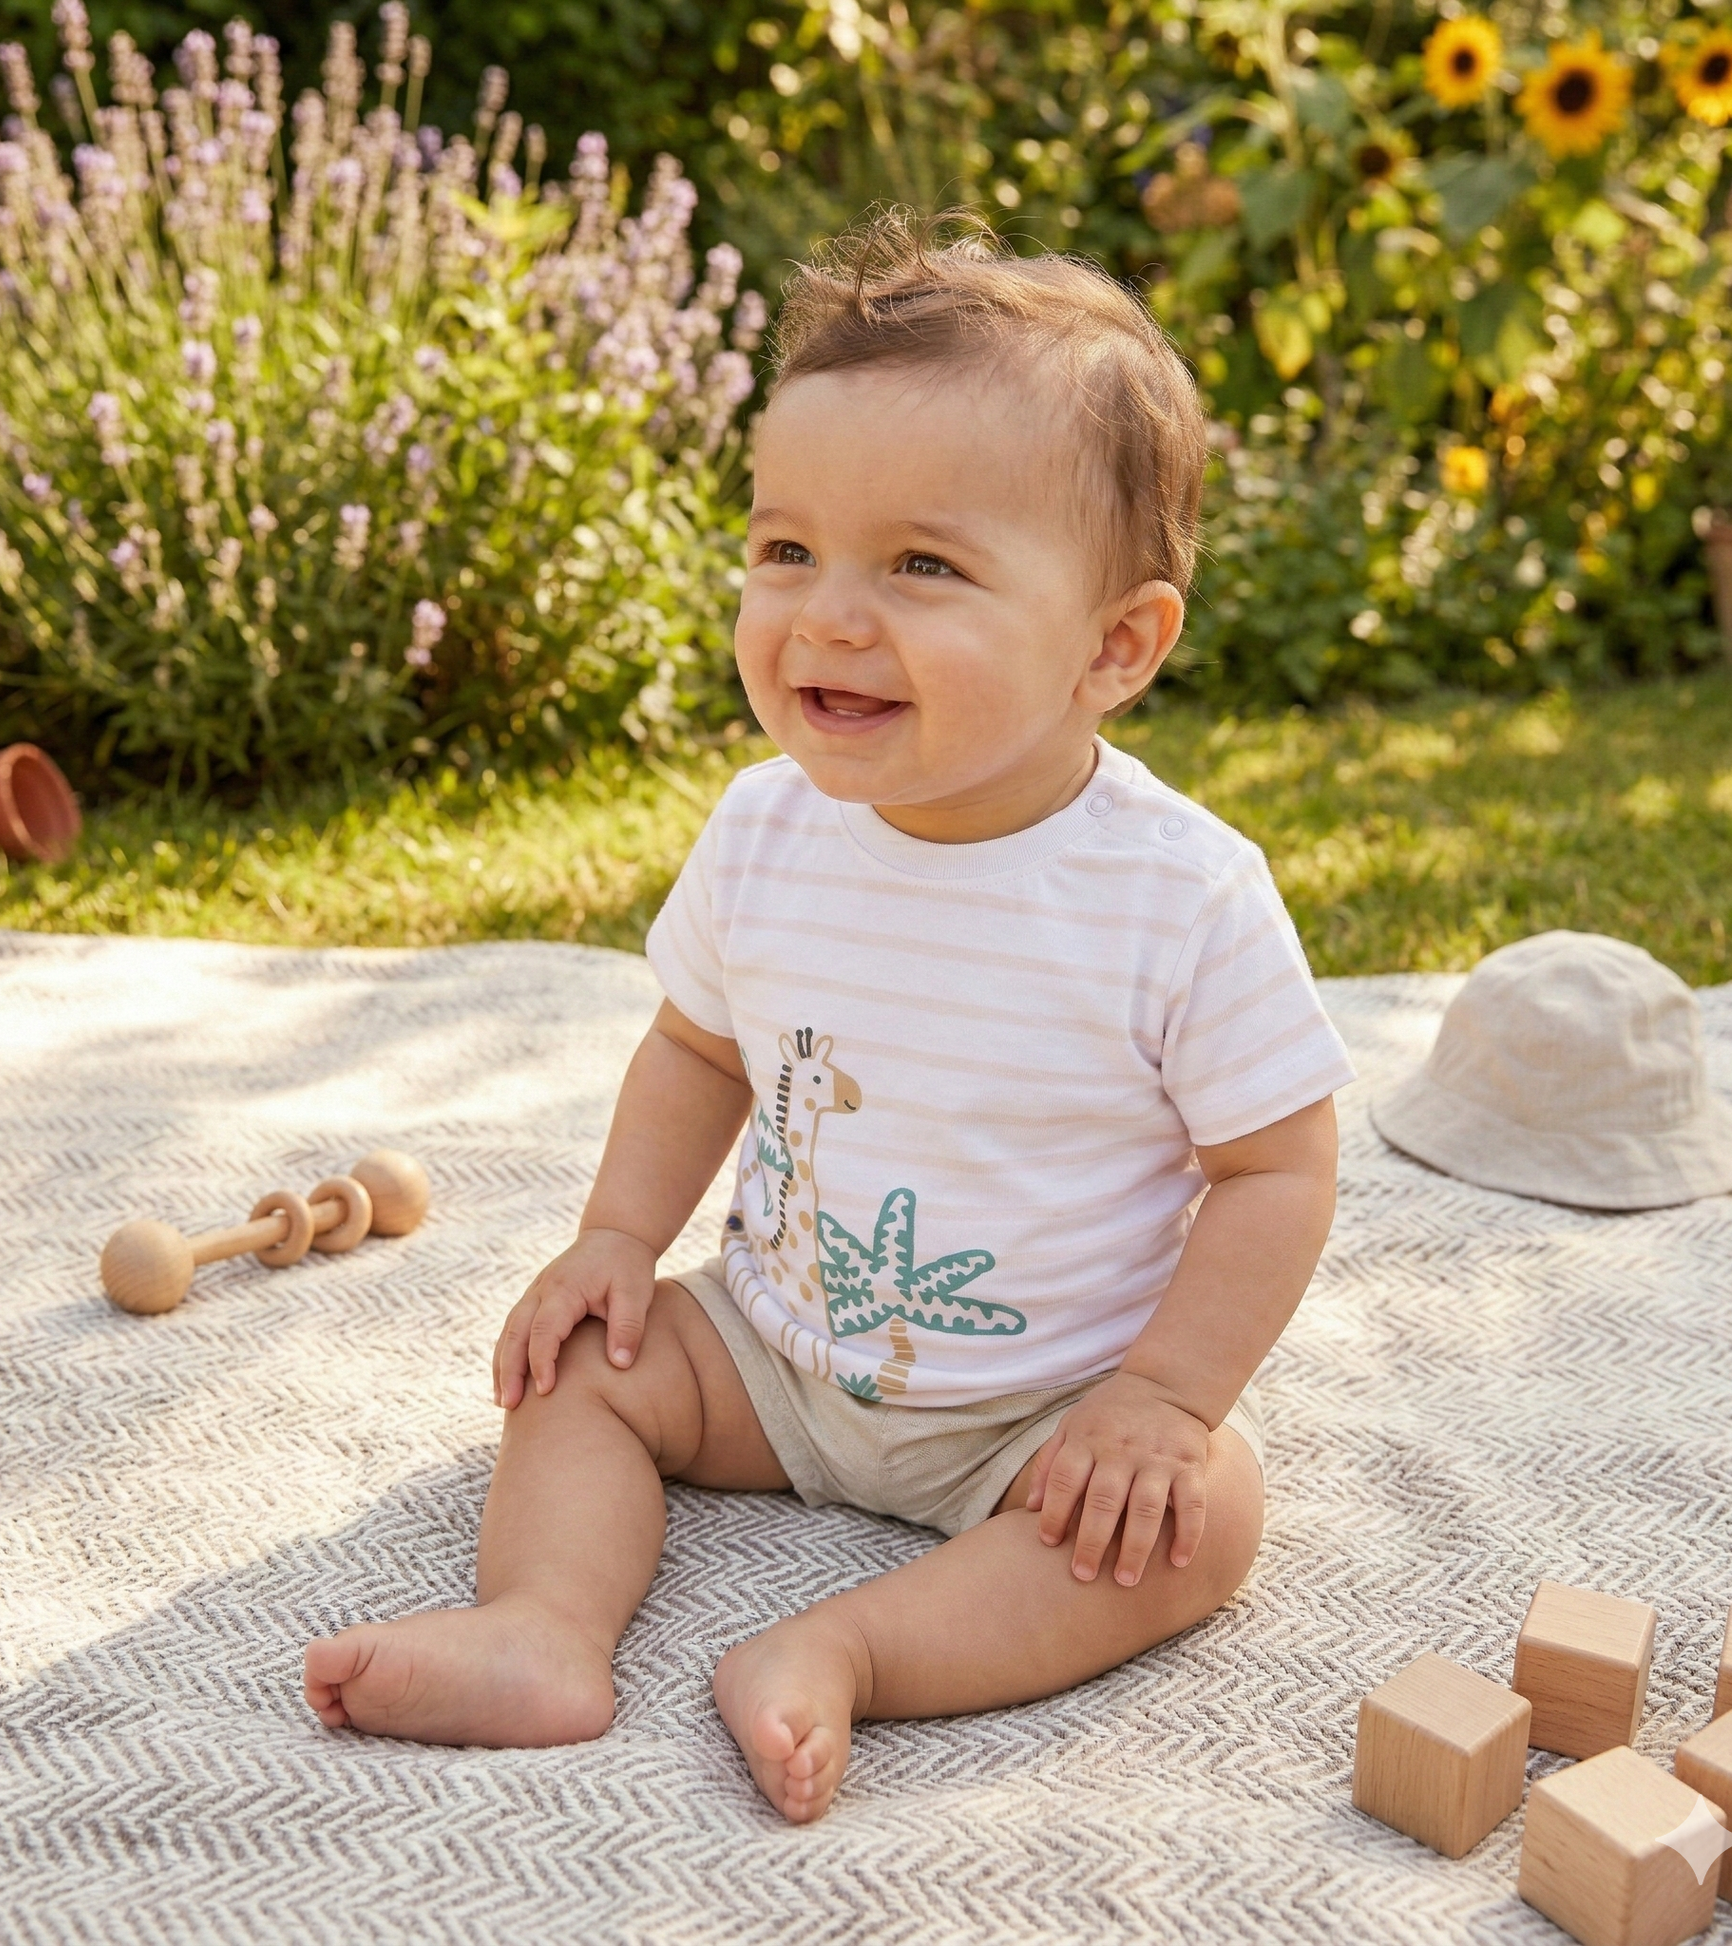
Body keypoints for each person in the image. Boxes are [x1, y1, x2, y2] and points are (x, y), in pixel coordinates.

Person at [304, 210, 1353, 1824]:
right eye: (785, 550)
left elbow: (1277, 1167)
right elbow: (698, 1048)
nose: (827, 615)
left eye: (922, 566)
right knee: (579, 1370)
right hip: (777, 1350)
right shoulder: (765, 829)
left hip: (1044, 1404)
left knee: (1201, 1514)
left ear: (1113, 646)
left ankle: (847, 1650)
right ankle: (542, 1627)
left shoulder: (1177, 896)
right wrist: (611, 1235)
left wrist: (1156, 1398)